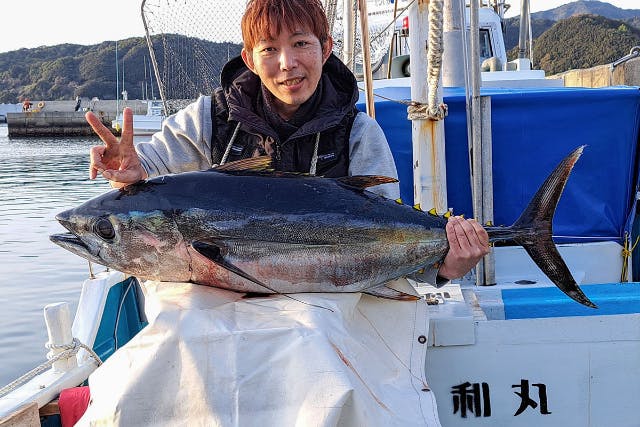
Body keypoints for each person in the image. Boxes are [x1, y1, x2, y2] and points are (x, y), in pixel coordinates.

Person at [85, 0, 488, 285]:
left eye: (301, 44)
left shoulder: (359, 132)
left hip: (329, 303)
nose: (287, 63)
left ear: (325, 48)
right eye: (269, 49)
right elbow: (150, 169)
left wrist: (443, 266)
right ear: (249, 59)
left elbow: (384, 233)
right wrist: (132, 172)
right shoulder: (208, 119)